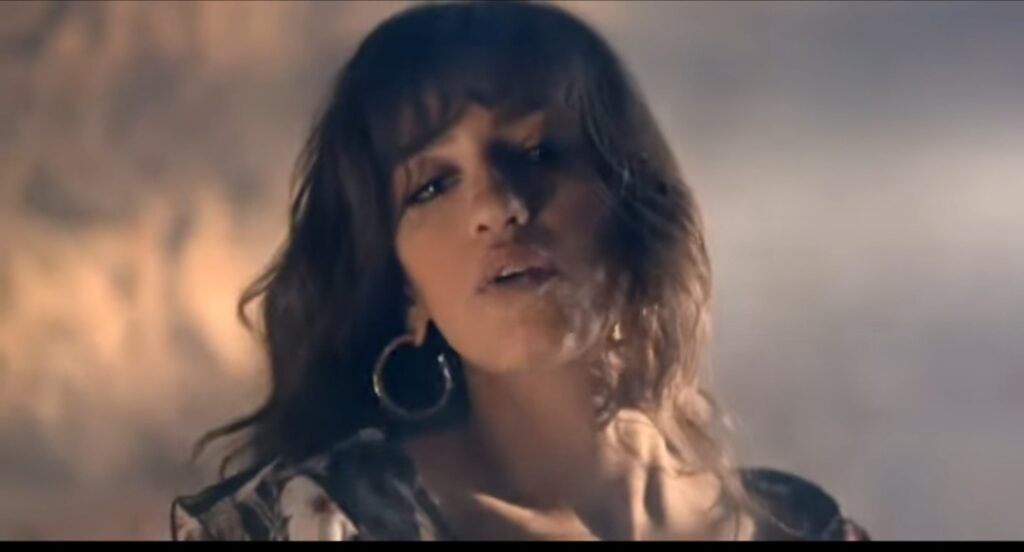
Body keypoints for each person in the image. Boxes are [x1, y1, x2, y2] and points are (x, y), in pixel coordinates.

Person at [170, 1, 869, 541]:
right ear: (404, 287)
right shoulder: (309, 523)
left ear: (630, 203)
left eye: (536, 154)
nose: (498, 207)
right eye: (432, 186)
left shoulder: (795, 527)